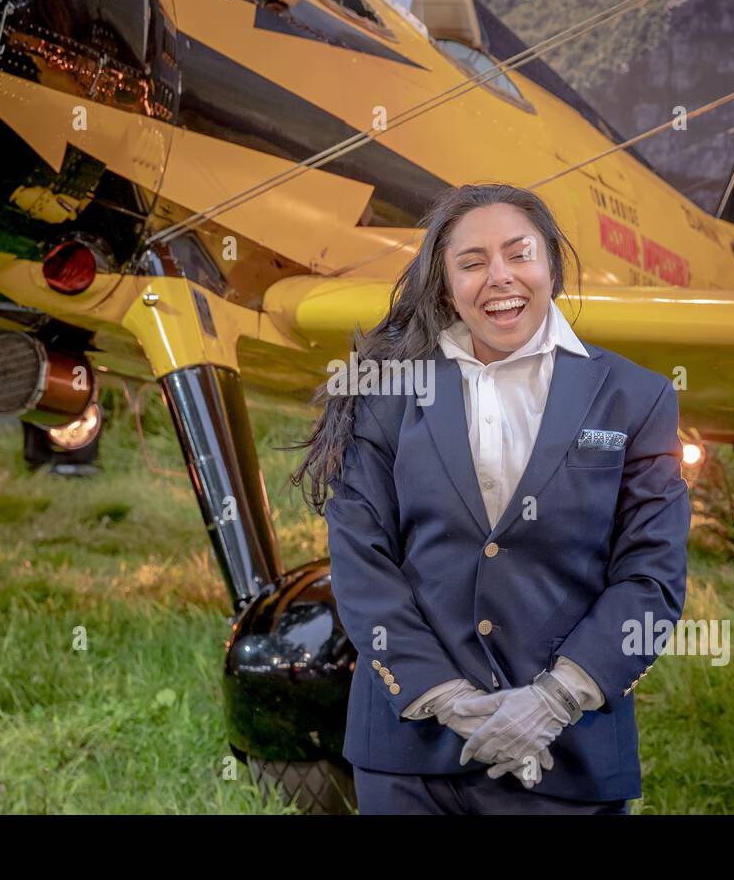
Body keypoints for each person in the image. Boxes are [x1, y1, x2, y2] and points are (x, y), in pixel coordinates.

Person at [291, 182, 690, 814]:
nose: (498, 277)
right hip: (408, 755)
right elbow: (363, 563)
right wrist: (446, 699)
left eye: (519, 254)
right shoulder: (385, 393)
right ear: (446, 284)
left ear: (552, 266)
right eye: (472, 263)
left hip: (566, 757)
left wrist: (556, 699)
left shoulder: (636, 399)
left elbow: (651, 578)